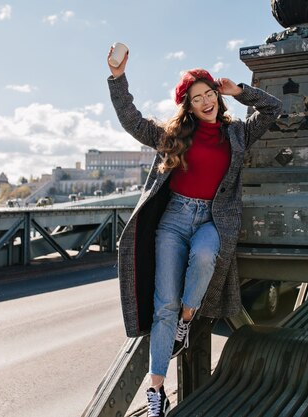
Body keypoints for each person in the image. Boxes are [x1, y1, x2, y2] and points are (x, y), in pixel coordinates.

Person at [107, 45, 282, 417]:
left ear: (217, 96)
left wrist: (242, 92)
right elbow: (133, 121)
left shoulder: (237, 134)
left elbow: (273, 109)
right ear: (188, 106)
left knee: (205, 257)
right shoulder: (175, 135)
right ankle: (156, 393)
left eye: (209, 94)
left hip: (212, 221)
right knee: (163, 306)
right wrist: (118, 78)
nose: (204, 101)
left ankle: (187, 320)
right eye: (196, 98)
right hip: (173, 220)